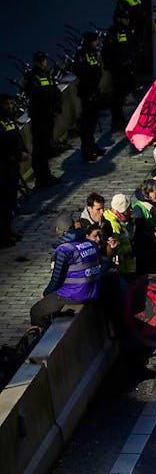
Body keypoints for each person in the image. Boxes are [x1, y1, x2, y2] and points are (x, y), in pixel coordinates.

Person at [30, 217, 102, 328]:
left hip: (75, 295)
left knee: (36, 311)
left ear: (59, 231)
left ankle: (45, 337)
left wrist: (45, 293)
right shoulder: (90, 243)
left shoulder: (64, 249)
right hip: (93, 291)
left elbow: (56, 280)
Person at [24, 52, 61, 187]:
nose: (43, 63)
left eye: (44, 60)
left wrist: (57, 107)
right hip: (39, 117)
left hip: (48, 116)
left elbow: (54, 91)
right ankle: (41, 177)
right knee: (39, 147)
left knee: (46, 146)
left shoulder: (47, 75)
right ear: (36, 62)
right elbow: (35, 94)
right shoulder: (31, 77)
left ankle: (46, 173)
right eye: (40, 61)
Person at [73, 31, 105, 162]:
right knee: (87, 123)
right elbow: (82, 73)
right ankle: (87, 150)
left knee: (93, 122)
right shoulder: (82, 54)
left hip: (94, 90)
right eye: (95, 41)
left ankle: (92, 146)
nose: (97, 43)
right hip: (87, 92)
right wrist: (89, 90)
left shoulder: (93, 52)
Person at [0, 94, 28, 246]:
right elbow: (3, 145)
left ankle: (9, 230)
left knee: (11, 200)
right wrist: (17, 154)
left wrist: (24, 151)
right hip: (3, 166)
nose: (10, 107)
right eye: (6, 104)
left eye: (11, 103)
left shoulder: (10, 120)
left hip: (12, 165)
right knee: (3, 202)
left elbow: (18, 137)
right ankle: (3, 235)